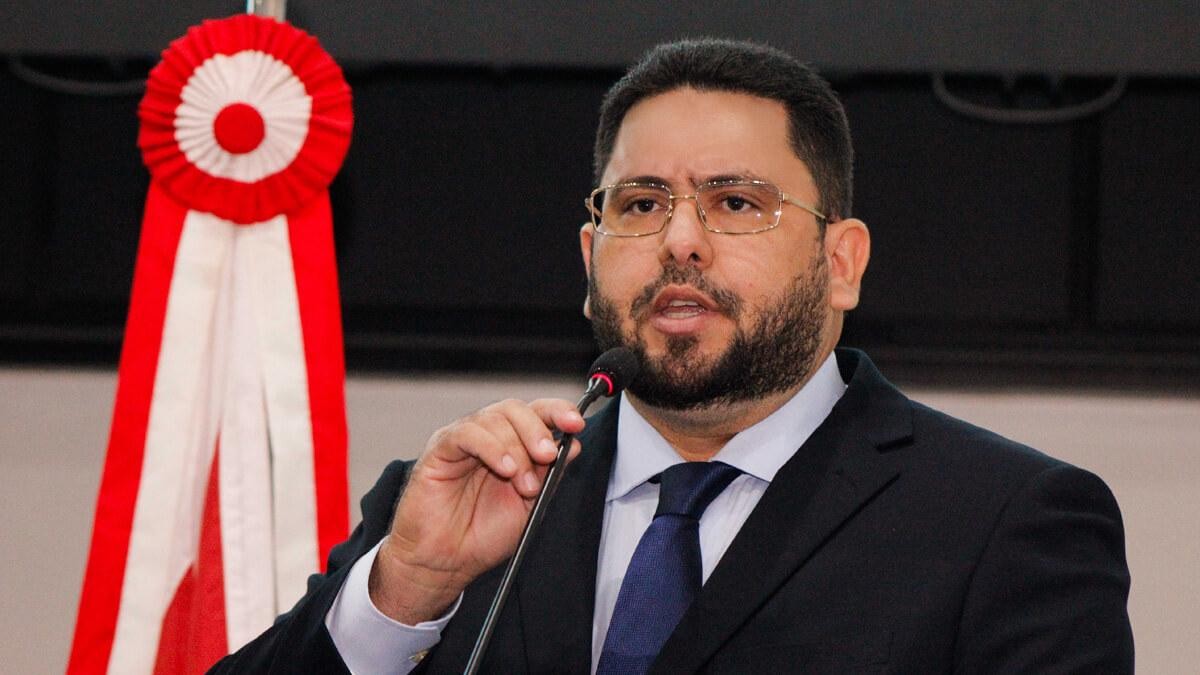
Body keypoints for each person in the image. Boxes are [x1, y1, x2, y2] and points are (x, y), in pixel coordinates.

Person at [213, 39, 1133, 673]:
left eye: (736, 202)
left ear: (841, 263)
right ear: (591, 259)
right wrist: (404, 594)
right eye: (642, 204)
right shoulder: (461, 504)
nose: (680, 240)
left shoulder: (1006, 521)